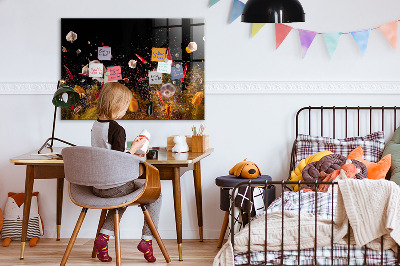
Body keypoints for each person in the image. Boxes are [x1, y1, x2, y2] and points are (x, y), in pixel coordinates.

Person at [91, 82, 161, 263]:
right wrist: (136, 148)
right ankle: (147, 240)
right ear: (117, 105)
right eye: (125, 106)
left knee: (121, 197)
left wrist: (130, 150)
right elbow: (118, 160)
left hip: (97, 186)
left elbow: (108, 154)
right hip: (114, 186)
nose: (126, 111)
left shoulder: (96, 125)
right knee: (156, 194)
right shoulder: (117, 129)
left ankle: (103, 238)